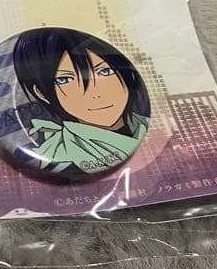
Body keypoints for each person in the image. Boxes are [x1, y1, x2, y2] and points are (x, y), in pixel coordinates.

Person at [12, 27, 149, 176]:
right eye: (65, 80)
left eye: (105, 71)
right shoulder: (63, 158)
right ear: (42, 93)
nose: (95, 93)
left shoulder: (142, 124)